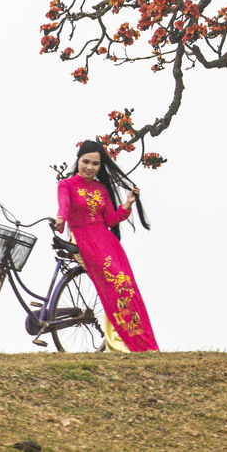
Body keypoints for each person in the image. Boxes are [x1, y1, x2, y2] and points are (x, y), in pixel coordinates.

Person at [53, 140, 159, 352]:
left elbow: (110, 220)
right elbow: (64, 206)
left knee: (126, 287)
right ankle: (121, 344)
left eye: (95, 164)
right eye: (86, 162)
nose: (90, 167)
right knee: (115, 285)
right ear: (78, 160)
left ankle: (137, 341)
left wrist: (128, 204)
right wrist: (59, 220)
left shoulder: (101, 189)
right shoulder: (67, 185)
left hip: (108, 243)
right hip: (84, 241)